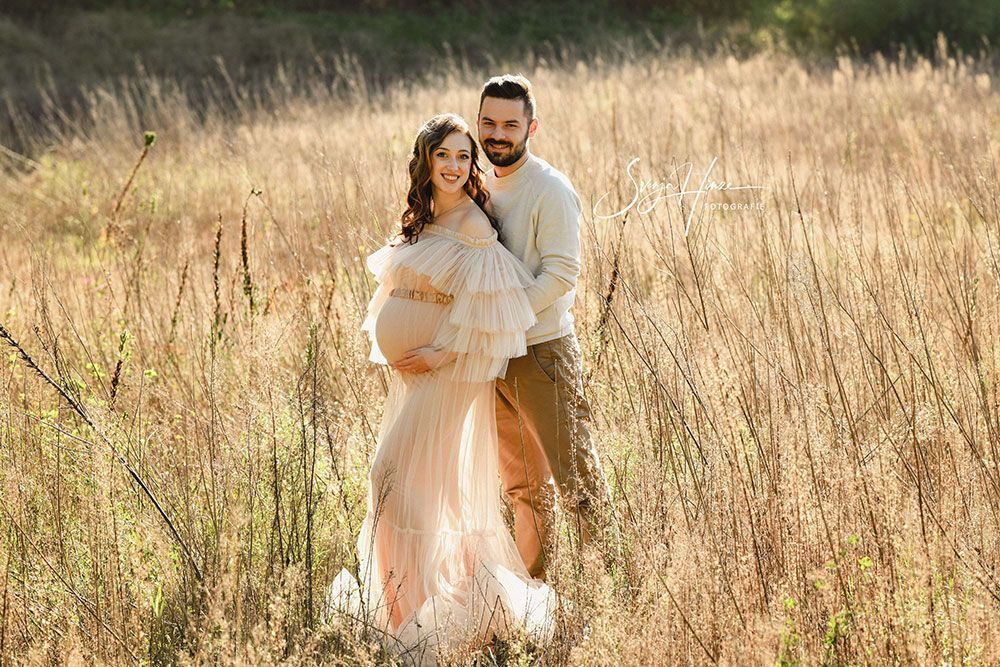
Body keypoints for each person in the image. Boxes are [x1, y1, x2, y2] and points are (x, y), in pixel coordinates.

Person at [324, 113, 559, 665]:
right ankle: (405, 609)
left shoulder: (474, 226)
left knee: (389, 477)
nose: (454, 166)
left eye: (462, 156)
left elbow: (491, 314)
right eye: (443, 155)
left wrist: (437, 353)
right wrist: (398, 347)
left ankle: (419, 614)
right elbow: (399, 292)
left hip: (450, 375)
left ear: (471, 164)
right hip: (417, 376)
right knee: (423, 490)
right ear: (425, 162)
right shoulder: (425, 217)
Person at [477, 74, 619, 581]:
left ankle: (608, 591)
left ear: (531, 128)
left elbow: (561, 274)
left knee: (577, 482)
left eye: (510, 125)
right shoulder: (478, 184)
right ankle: (536, 592)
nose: (498, 134)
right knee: (523, 489)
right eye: (489, 122)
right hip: (492, 357)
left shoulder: (549, 189)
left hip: (541, 353)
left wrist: (502, 318)